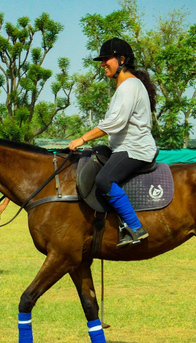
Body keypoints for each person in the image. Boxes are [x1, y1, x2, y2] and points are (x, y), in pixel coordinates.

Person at [68, 37, 158, 246]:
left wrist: (82, 139)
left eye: (106, 59)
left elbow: (116, 122)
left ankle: (135, 228)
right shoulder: (125, 87)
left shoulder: (129, 86)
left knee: (104, 180)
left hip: (135, 150)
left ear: (121, 59)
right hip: (122, 148)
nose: (102, 64)